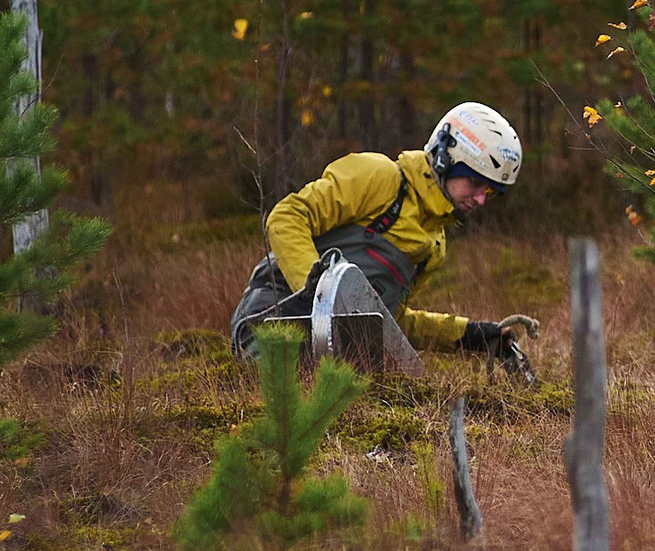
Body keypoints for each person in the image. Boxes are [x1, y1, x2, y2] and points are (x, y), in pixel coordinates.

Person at [229, 102, 537, 369]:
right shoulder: (380, 177)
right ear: (445, 159)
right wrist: (319, 291)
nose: (481, 199)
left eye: (491, 192)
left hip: (335, 354)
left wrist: (472, 335)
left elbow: (390, 322)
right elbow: (287, 217)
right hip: (272, 320)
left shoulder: (434, 245)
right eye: (474, 182)